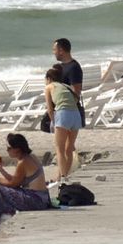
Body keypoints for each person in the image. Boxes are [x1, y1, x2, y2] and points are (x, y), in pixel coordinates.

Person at [0, 132, 50, 237]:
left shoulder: (23, 162)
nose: (7, 151)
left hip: (36, 200)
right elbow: (17, 180)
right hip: (42, 198)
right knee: (0, 190)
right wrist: (0, 169)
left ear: (17, 149)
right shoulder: (31, 157)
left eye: (9, 148)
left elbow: (13, 184)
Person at [50, 38, 85, 180]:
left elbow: (77, 92)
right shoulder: (58, 68)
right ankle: (62, 176)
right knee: (66, 147)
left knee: (66, 147)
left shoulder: (74, 67)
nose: (53, 52)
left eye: (55, 49)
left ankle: (63, 176)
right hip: (61, 109)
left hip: (68, 110)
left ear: (61, 50)